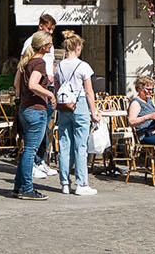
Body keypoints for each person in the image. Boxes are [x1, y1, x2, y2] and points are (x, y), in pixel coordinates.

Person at [51, 32, 101, 197]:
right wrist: (93, 112)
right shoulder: (83, 66)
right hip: (79, 104)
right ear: (78, 47)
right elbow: (89, 92)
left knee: (64, 144)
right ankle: (81, 183)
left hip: (64, 106)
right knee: (81, 146)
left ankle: (64, 183)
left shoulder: (59, 66)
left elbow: (57, 89)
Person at [13, 30, 56, 199]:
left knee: (26, 150)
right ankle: (27, 188)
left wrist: (23, 97)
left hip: (24, 108)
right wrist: (49, 94)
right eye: (50, 44)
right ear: (44, 46)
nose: (52, 46)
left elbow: (17, 83)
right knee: (30, 151)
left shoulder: (26, 62)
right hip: (36, 109)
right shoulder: (39, 63)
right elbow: (33, 84)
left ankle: (19, 187)